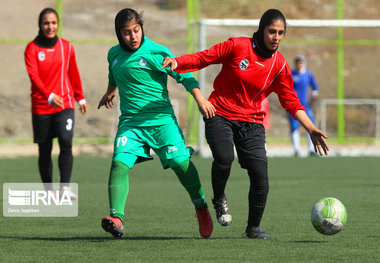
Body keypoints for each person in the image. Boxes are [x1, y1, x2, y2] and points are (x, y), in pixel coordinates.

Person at [162, 9, 329, 239]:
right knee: (224, 156)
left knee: (260, 174)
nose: (276, 37)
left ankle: (253, 228)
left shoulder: (279, 65)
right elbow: (205, 57)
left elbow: (290, 100)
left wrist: (310, 128)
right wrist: (177, 61)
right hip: (219, 112)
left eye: (281, 33)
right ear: (261, 30)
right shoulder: (237, 46)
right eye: (272, 31)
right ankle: (219, 197)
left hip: (251, 121)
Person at [98, 8, 215, 238]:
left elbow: (185, 75)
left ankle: (201, 207)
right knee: (119, 163)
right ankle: (116, 218)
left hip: (161, 121)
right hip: (131, 122)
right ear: (118, 34)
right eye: (126, 33)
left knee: (180, 163)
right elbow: (114, 73)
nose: (133, 37)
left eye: (136, 30)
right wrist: (110, 91)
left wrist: (201, 99)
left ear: (141, 28)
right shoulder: (113, 54)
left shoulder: (156, 51)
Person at [24, 8, 87, 199]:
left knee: (66, 141)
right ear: (40, 25)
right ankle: (48, 191)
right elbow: (34, 77)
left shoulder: (66, 47)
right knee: (45, 149)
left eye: (53, 22)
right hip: (41, 106)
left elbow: (73, 73)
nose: (50, 26)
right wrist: (49, 96)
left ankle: (65, 189)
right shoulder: (32, 49)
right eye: (46, 23)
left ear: (58, 24)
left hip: (64, 104)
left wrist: (80, 96)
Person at [288, 55, 319, 156]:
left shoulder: (308, 75)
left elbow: (315, 88)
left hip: (305, 106)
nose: (299, 65)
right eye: (297, 63)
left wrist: (313, 98)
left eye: (301, 63)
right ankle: (296, 149)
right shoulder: (291, 74)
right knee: (294, 127)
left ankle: (311, 149)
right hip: (293, 106)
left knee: (310, 126)